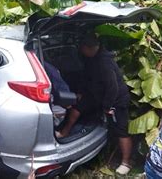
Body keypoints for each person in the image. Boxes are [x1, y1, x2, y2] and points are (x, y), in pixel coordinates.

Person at [55, 32, 132, 175]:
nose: (80, 51)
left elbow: (112, 87)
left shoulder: (105, 62)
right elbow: (88, 78)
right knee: (77, 107)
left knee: (121, 130)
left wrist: (108, 106)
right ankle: (64, 132)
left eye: (82, 48)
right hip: (96, 93)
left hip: (116, 99)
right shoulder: (91, 58)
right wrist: (80, 92)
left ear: (89, 48)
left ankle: (126, 162)